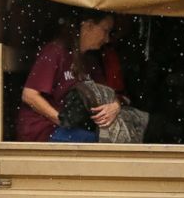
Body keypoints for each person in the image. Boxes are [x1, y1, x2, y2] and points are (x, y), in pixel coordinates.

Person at [16, 9, 125, 142]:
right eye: (105, 31)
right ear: (88, 25)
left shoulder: (90, 61)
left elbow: (109, 94)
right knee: (98, 143)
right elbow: (29, 95)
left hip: (73, 128)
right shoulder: (54, 52)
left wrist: (115, 107)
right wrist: (62, 120)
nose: (107, 39)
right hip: (46, 130)